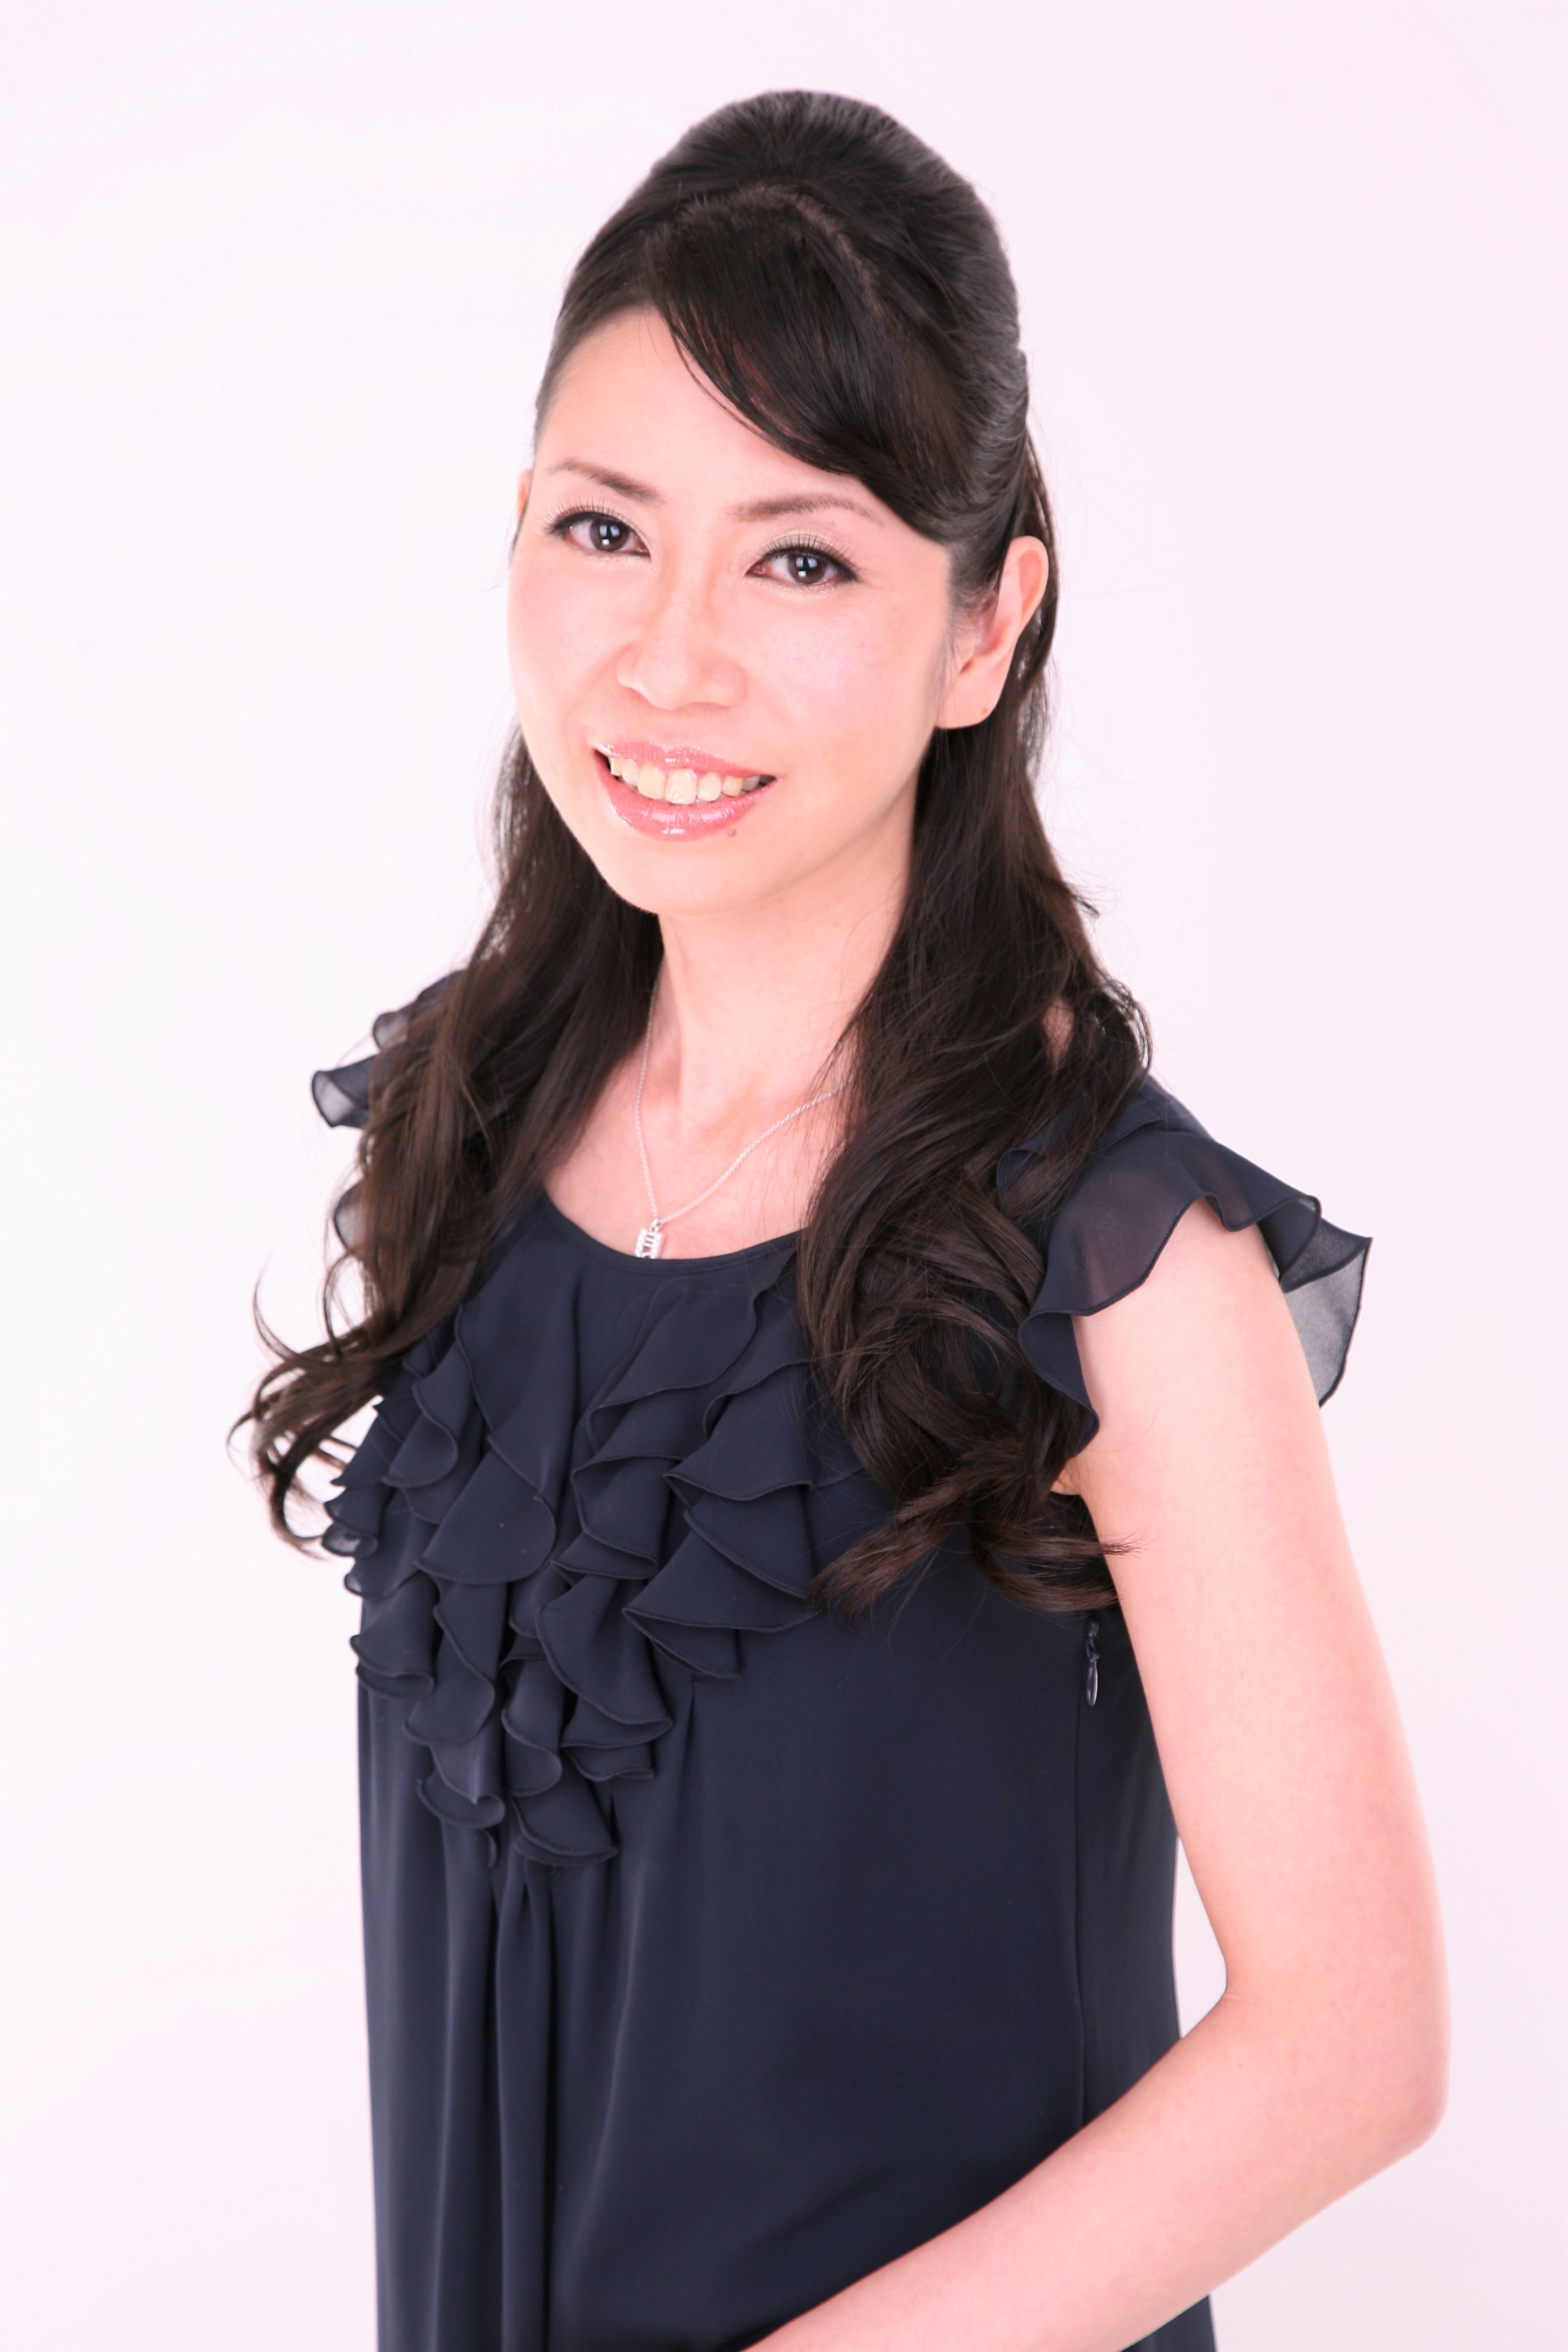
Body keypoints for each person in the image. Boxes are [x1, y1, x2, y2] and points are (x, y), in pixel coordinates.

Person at [246, 89, 1447, 2352]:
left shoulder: (1112, 1256)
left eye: (799, 561)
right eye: (606, 529)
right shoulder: (463, 1130)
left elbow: (1352, 2040)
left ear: (985, 630)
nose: (669, 656)